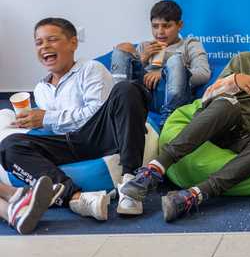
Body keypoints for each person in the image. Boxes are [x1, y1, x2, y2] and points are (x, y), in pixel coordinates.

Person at [120, 13, 250, 222]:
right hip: (218, 125)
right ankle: (153, 171)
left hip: (248, 135)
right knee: (228, 104)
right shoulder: (243, 61)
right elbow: (207, 97)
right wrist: (235, 80)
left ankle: (194, 195)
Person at [0, 18, 150, 220]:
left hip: (99, 134)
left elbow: (95, 114)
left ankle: (131, 184)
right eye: (39, 42)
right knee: (9, 145)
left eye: (52, 39)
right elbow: (49, 127)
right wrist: (26, 123)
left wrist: (46, 118)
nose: (44, 46)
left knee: (127, 89)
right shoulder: (40, 89)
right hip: (66, 143)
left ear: (73, 43)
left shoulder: (91, 69)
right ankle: (77, 198)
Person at [112, 0, 210, 127]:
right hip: (143, 95)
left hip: (171, 95)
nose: (160, 32)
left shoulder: (190, 44)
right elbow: (130, 76)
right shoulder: (145, 46)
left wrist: (164, 73)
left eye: (166, 26)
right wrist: (143, 57)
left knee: (175, 60)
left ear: (180, 25)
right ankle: (117, 105)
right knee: (123, 48)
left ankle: (168, 119)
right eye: (155, 26)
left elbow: (204, 73)